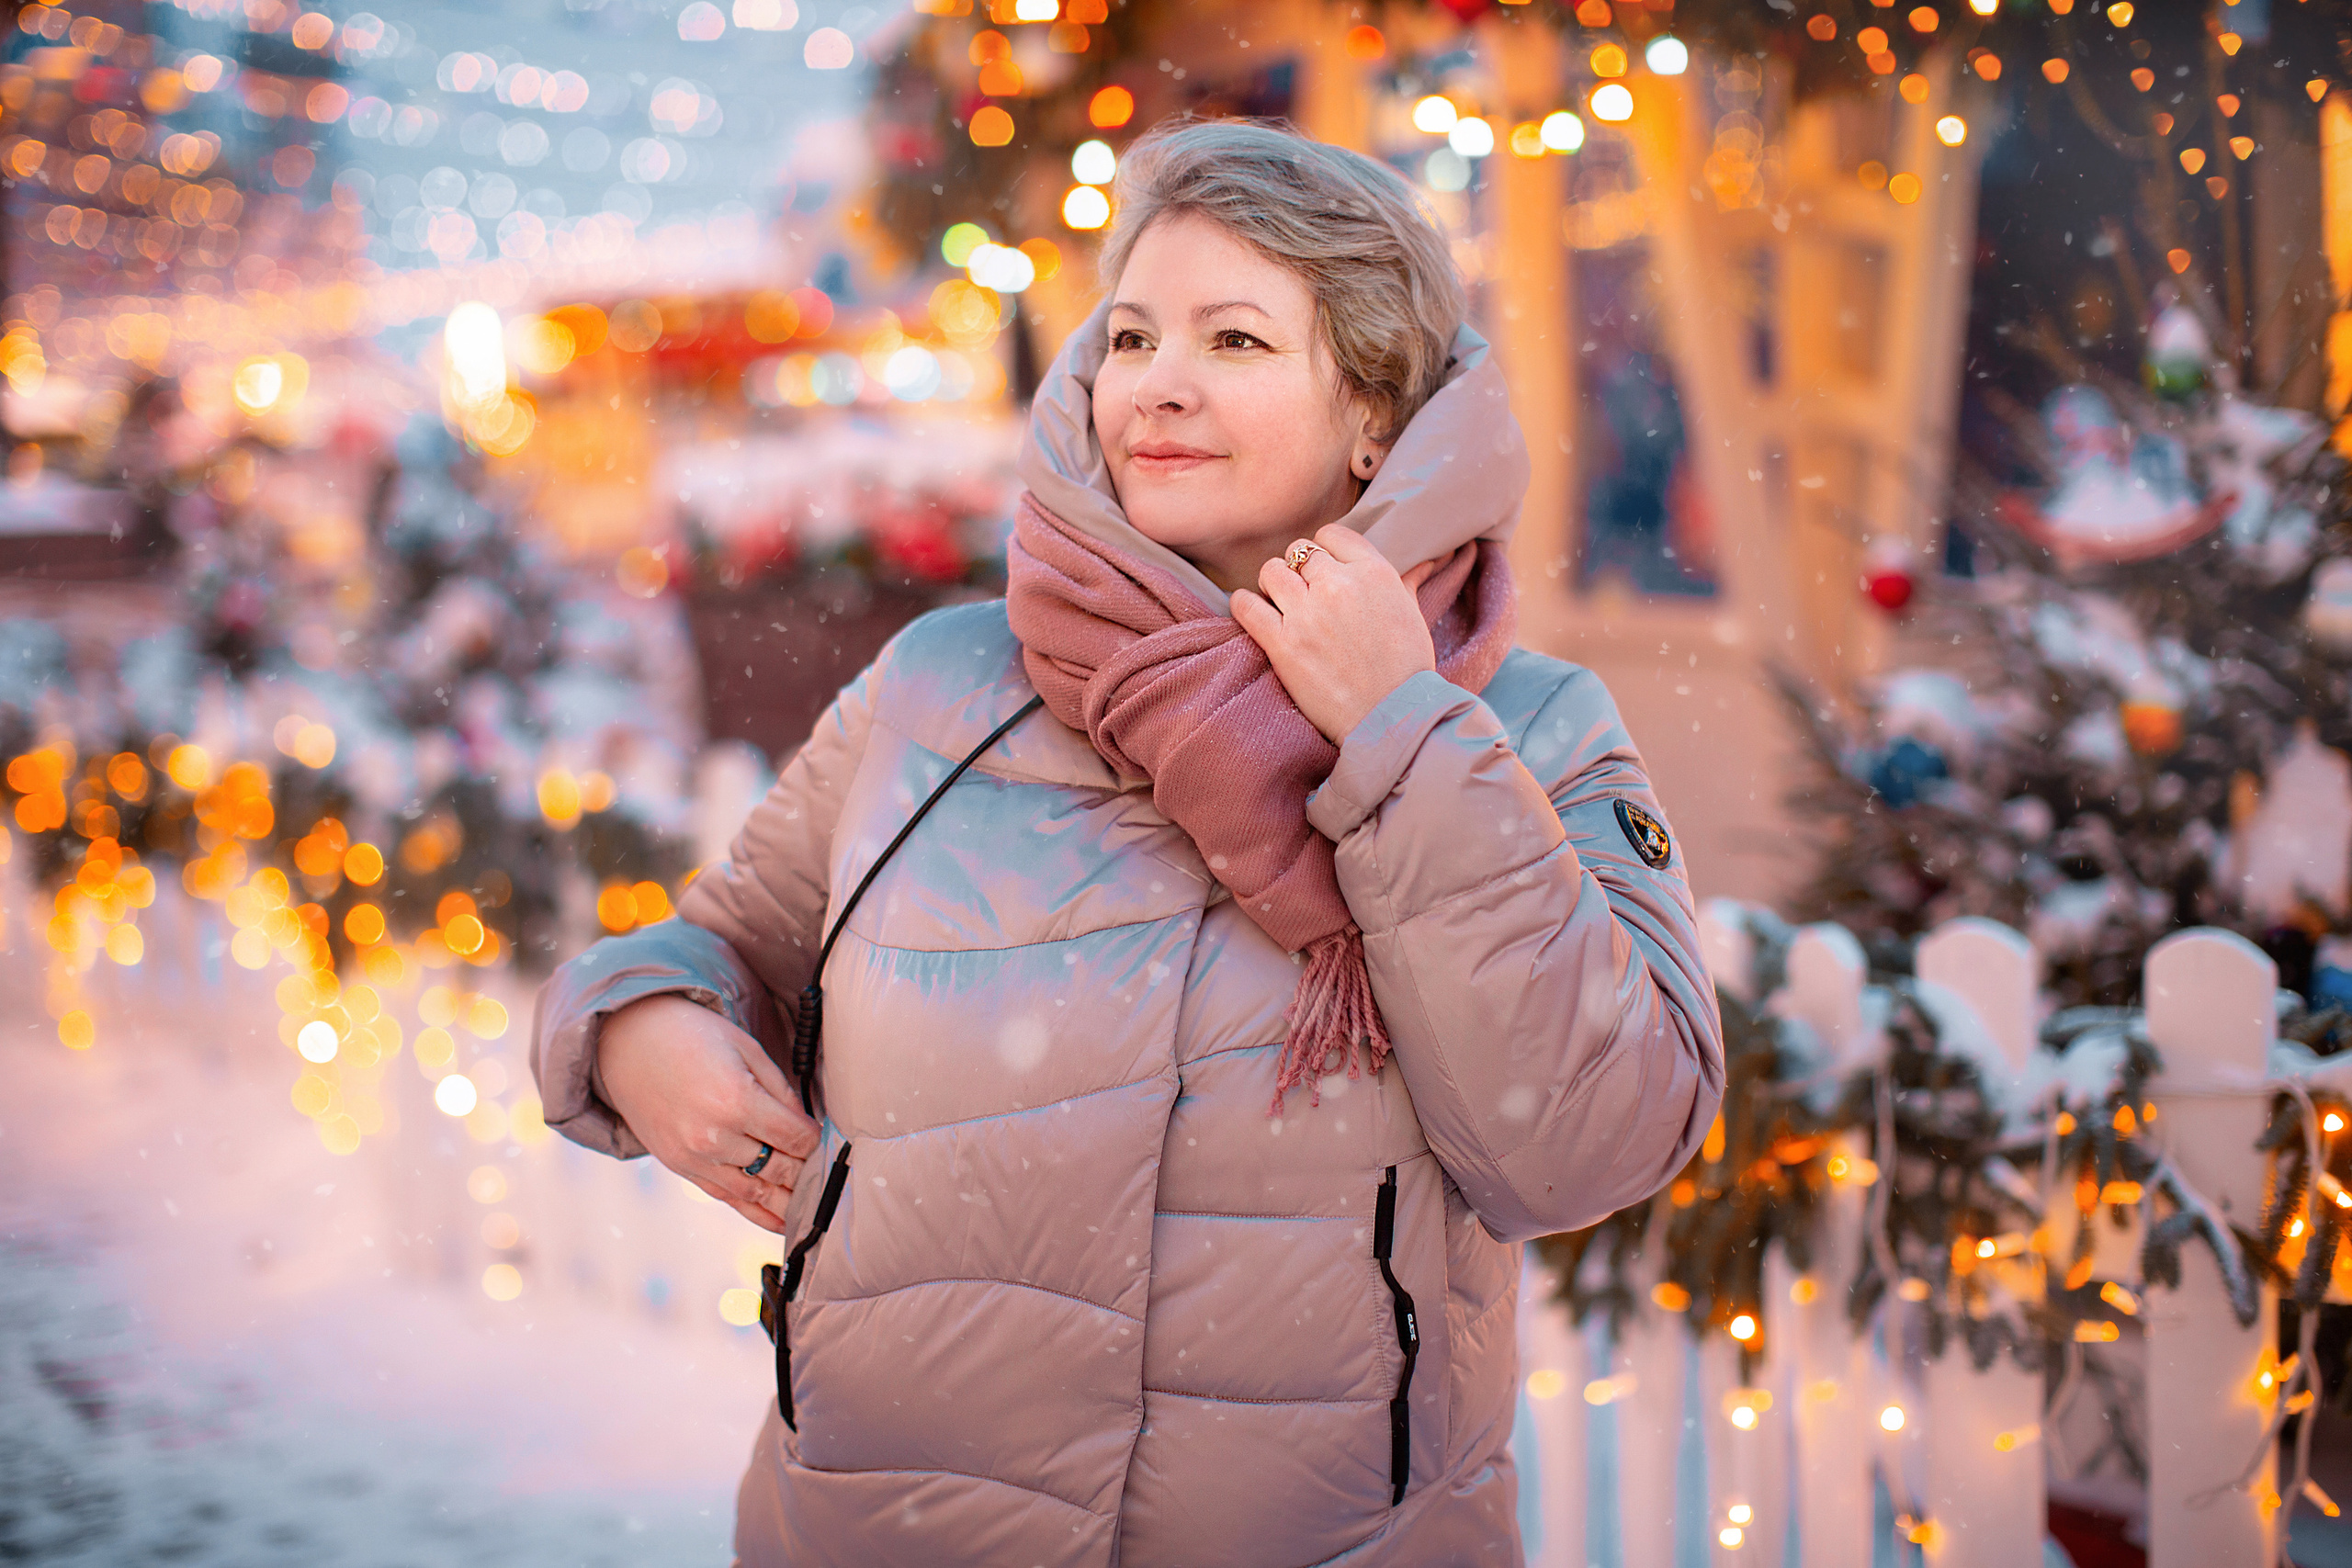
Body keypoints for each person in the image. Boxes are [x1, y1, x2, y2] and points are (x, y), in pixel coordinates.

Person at [532, 117, 1724, 1568]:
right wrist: (639, 1028)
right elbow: (715, 947)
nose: (1156, 383)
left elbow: (1595, 1141)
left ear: (1375, 414)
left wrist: (1400, 731)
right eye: (1135, 336)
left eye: (1235, 340)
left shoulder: (1520, 729)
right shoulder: (945, 686)